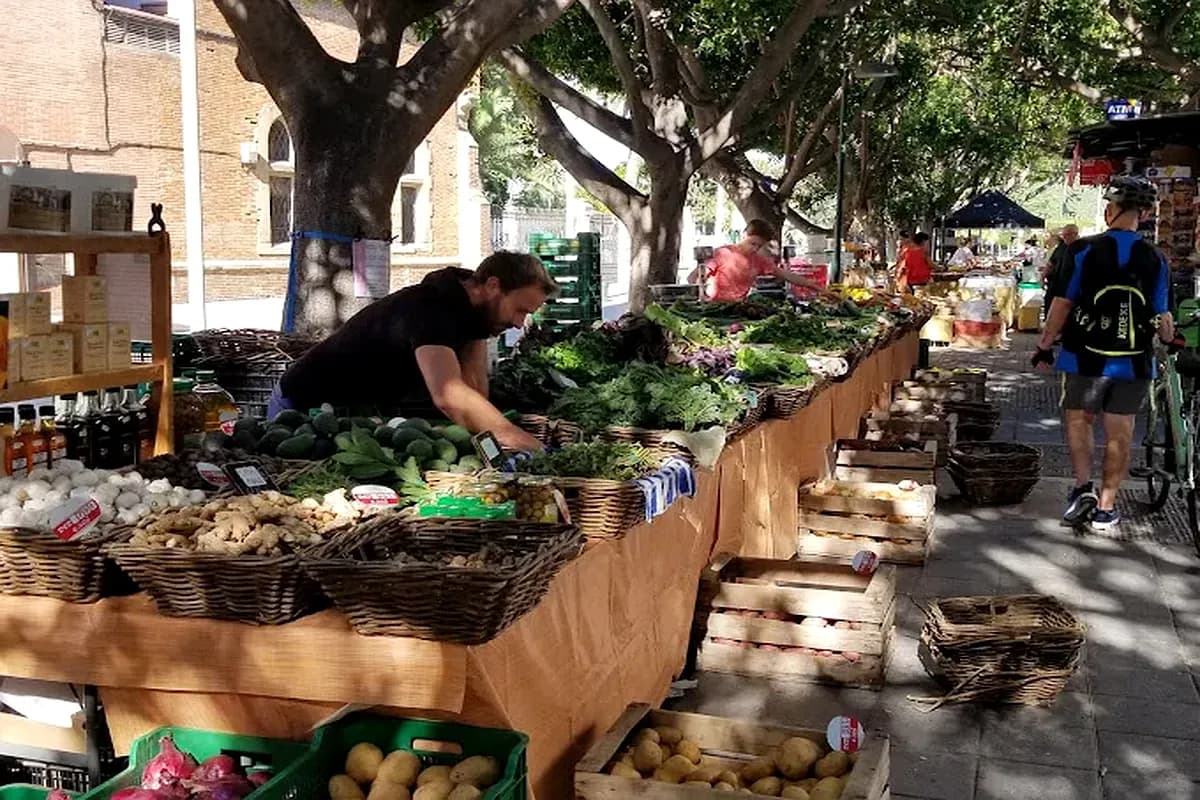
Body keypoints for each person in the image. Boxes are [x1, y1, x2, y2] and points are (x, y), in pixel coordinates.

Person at [272, 251, 555, 452]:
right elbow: (450, 396)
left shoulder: (473, 314)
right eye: (519, 310)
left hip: (355, 412)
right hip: (302, 407)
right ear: (493, 285)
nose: (519, 323)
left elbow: (475, 396)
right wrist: (517, 437)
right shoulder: (431, 308)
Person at [1033, 176, 1174, 530]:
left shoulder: (1082, 250)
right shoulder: (1156, 258)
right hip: (1134, 360)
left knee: (1080, 420)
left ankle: (1083, 488)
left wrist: (1044, 345)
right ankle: (1107, 508)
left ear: (1109, 210)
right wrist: (1169, 338)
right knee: (1120, 432)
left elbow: (1062, 304)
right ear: (1142, 215)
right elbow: (1163, 317)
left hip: (1083, 356)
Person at [689, 219, 835, 302]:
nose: (755, 248)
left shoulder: (759, 260)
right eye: (752, 243)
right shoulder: (723, 253)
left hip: (737, 310)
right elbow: (693, 277)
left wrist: (820, 289)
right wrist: (702, 292)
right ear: (744, 234)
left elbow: (787, 275)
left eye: (759, 246)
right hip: (713, 308)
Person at [1042, 224, 1079, 320]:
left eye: (1067, 235)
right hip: (1054, 284)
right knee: (1050, 307)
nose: (1065, 237)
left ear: (1075, 234)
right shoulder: (1061, 247)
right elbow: (1051, 264)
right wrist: (1042, 277)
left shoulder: (1081, 247)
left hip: (1070, 286)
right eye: (1064, 235)